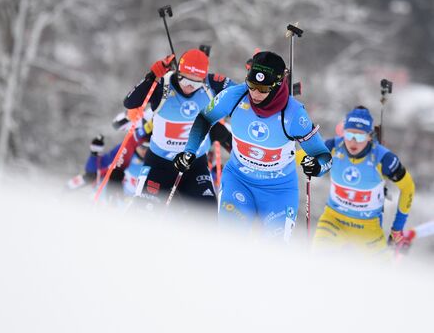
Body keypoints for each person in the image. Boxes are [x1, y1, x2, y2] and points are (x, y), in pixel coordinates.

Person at [173, 51, 332, 240]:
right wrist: (189, 151)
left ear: (278, 85)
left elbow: (323, 156)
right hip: (238, 181)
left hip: (278, 191)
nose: (255, 94)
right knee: (229, 242)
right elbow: (204, 118)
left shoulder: (294, 114)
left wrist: (316, 166)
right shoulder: (235, 96)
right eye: (252, 86)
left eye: (263, 89)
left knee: (275, 252)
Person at [123, 48, 234, 211]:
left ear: (204, 78)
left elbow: (244, 97)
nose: (189, 86)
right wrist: (152, 76)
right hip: (159, 163)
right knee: (144, 214)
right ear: (178, 72)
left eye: (196, 82)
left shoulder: (213, 85)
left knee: (207, 216)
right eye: (185, 80)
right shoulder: (163, 86)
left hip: (195, 165)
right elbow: (130, 102)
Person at [308, 106, 415, 254]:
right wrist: (307, 163)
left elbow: (408, 187)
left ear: (370, 136)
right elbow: (300, 155)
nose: (353, 142)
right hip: (333, 221)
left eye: (360, 137)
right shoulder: (333, 146)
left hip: (368, 228)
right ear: (342, 132)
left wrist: (397, 227)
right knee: (318, 262)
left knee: (381, 274)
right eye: (349, 134)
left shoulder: (384, 159)